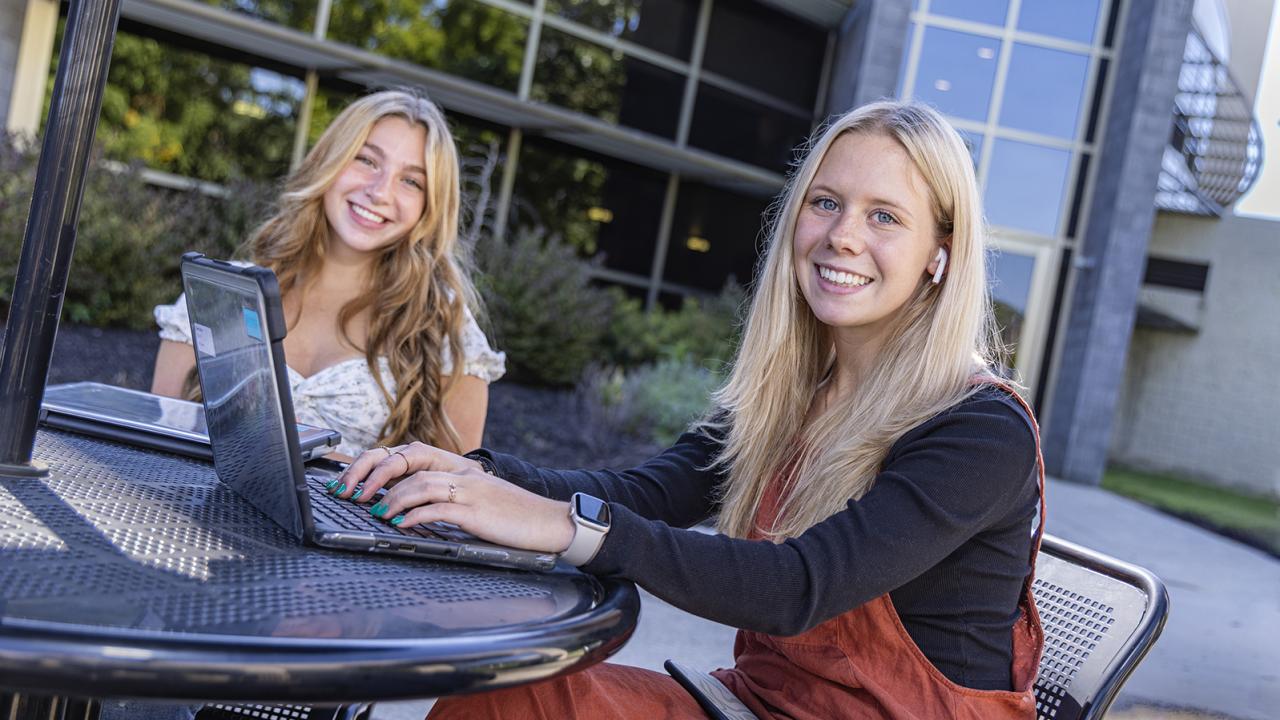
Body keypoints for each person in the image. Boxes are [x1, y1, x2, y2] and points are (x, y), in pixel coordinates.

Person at [338, 100, 1045, 719]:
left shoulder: (980, 430)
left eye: (884, 216)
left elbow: (796, 588)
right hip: (757, 705)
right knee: (507, 693)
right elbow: (648, 492)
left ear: (940, 255)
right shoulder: (795, 394)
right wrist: (469, 479)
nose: (843, 236)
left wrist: (567, 528)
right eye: (825, 202)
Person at [150, 89, 505, 459]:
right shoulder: (223, 293)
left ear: (429, 207)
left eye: (411, 181)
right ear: (329, 162)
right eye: (367, 160)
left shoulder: (442, 326)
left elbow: (453, 496)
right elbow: (153, 452)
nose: (380, 192)